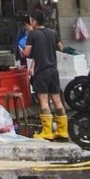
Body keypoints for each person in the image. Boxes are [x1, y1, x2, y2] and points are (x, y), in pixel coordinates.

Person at [23, 10, 67, 141]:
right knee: (57, 101)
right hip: (53, 71)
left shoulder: (32, 34)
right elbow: (61, 47)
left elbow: (27, 53)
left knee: (44, 102)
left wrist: (26, 51)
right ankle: (62, 130)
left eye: (31, 20)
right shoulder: (53, 32)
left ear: (34, 22)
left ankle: (47, 132)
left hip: (41, 72)